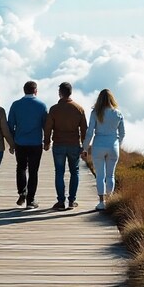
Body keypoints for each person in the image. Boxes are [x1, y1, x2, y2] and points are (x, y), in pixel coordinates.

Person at [44, 82, 88, 210]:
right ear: (71, 92)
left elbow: (48, 128)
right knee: (75, 172)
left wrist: (46, 142)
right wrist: (85, 147)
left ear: (60, 93)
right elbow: (84, 130)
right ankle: (71, 200)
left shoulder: (54, 109)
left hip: (58, 144)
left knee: (59, 172)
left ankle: (61, 201)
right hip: (74, 144)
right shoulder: (79, 109)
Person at [7, 81, 48, 210]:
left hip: (20, 142)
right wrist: (47, 141)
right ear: (35, 91)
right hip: (35, 143)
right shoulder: (41, 105)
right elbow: (45, 126)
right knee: (33, 171)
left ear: (24, 90)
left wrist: (12, 141)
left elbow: (10, 125)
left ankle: (22, 193)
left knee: (21, 168)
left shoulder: (16, 105)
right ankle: (31, 200)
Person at [84, 89, 125, 211]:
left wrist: (85, 148)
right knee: (110, 175)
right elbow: (122, 133)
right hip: (113, 146)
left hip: (98, 146)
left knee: (100, 175)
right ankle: (110, 199)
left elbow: (90, 132)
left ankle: (101, 202)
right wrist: (118, 144)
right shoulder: (117, 113)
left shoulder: (95, 113)